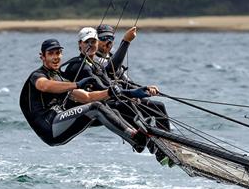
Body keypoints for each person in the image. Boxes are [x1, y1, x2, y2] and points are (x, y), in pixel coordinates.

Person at [19, 38, 151, 150]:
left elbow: (87, 97)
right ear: (42, 56)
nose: (55, 57)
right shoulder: (37, 75)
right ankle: (134, 136)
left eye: (58, 53)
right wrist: (76, 84)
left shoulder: (61, 79)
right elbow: (45, 85)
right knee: (95, 107)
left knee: (112, 110)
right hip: (49, 127)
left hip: (61, 124)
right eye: (51, 54)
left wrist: (125, 92)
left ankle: (139, 142)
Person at [93, 24, 171, 131]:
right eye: (103, 38)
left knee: (159, 107)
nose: (107, 42)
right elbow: (111, 70)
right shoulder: (94, 59)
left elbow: (127, 82)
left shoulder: (112, 57)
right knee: (138, 118)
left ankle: (170, 142)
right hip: (109, 103)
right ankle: (149, 136)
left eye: (110, 38)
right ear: (96, 40)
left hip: (124, 98)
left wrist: (146, 89)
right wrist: (126, 41)